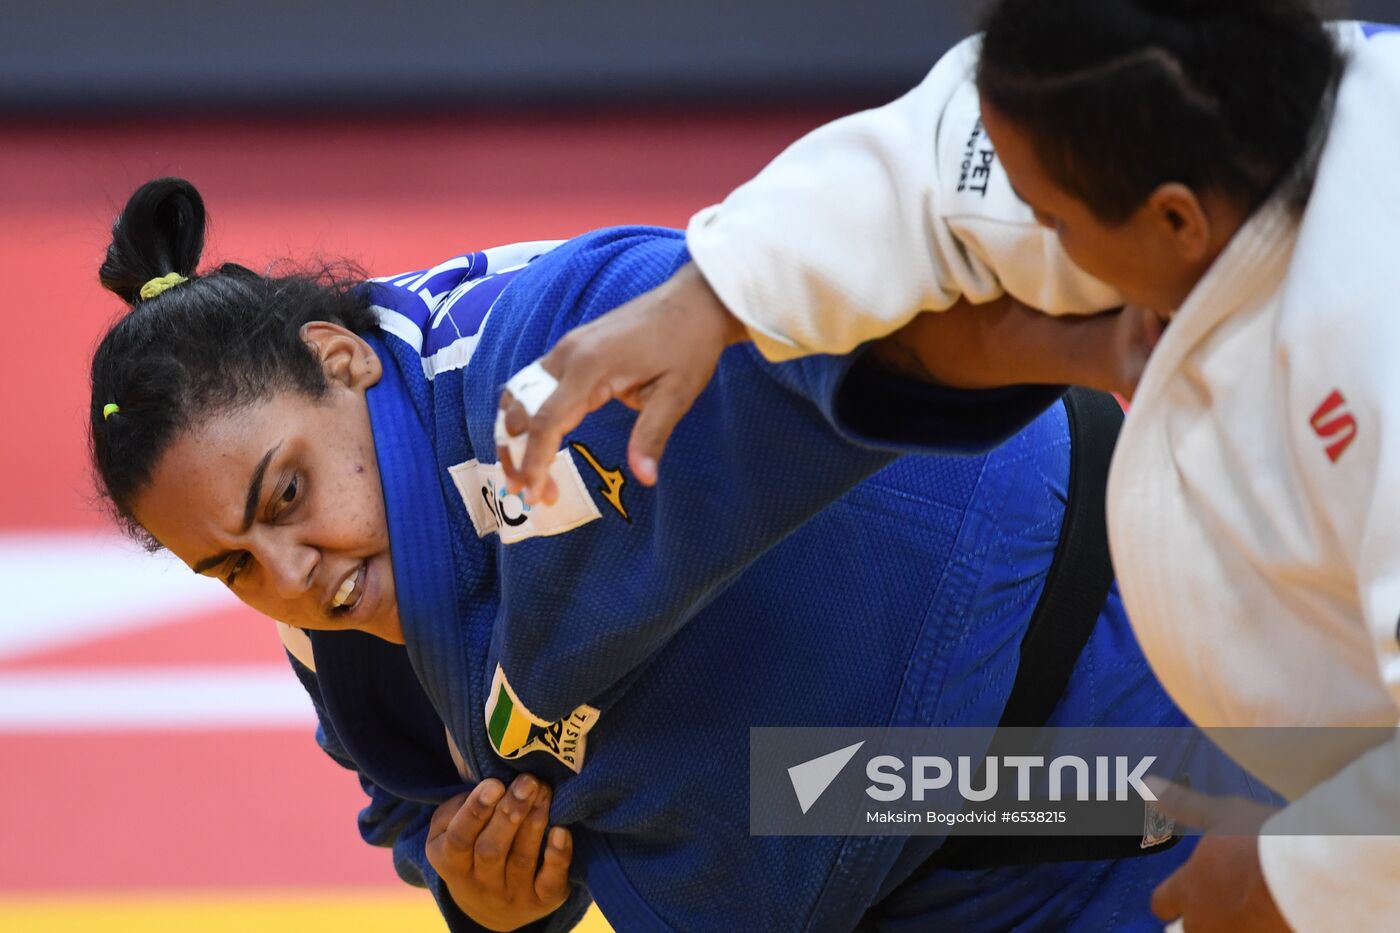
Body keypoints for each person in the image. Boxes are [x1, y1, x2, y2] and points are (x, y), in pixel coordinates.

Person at [86, 177, 1262, 932]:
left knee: (1331, 831)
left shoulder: (544, 348)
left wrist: (1102, 332)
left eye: (286, 494)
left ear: (341, 361)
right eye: (230, 566)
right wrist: (492, 899)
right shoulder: (331, 627)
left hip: (1096, 683)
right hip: (890, 839)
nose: (289, 573)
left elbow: (834, 320)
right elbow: (426, 819)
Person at [494, 7, 1400, 932]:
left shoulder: (1371, 366)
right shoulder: (1202, 102)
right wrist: (709, 294)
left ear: (1175, 217)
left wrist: (1293, 878)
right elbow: (935, 169)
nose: (1029, 235)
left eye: (1054, 219)